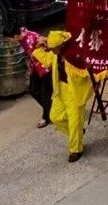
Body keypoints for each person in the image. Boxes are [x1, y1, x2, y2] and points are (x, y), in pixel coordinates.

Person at [33, 31, 93, 162]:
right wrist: (38, 49)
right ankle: (77, 133)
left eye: (53, 49)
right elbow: (47, 60)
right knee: (55, 117)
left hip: (74, 93)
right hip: (60, 90)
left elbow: (87, 71)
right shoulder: (55, 55)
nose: (52, 51)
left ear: (61, 46)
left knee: (75, 121)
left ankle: (75, 150)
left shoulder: (74, 55)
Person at [18, 27, 52, 129]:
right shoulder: (22, 37)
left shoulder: (32, 37)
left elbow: (46, 48)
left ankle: (46, 117)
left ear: (14, 36)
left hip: (45, 67)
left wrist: (37, 47)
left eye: (10, 38)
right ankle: (50, 109)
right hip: (35, 68)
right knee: (33, 90)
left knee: (45, 94)